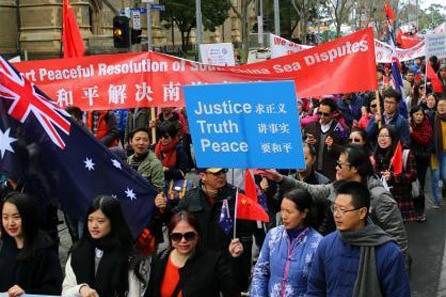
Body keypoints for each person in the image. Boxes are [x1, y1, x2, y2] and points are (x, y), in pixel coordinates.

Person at [258, 145, 408, 256]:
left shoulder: (379, 197)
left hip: (374, 260)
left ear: (355, 168)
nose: (336, 168)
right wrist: (281, 179)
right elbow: (311, 190)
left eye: (340, 165)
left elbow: (398, 240)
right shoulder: (336, 188)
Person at [156, 168, 256, 291]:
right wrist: (163, 209)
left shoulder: (236, 196)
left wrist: (242, 264)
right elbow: (174, 222)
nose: (221, 176)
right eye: (216, 173)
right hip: (199, 265)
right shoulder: (191, 197)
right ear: (203, 176)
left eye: (223, 172)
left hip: (228, 263)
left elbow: (246, 234)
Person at [305, 181, 410, 297]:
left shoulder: (388, 252)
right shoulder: (326, 244)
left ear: (362, 213)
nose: (336, 214)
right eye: (335, 208)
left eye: (343, 210)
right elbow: (315, 290)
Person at [62, 195, 146, 297]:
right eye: (90, 220)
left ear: (114, 222)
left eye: (100, 221)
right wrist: (80, 289)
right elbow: (66, 291)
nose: (94, 226)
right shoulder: (77, 251)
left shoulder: (129, 257)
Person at [146, 211, 241, 297]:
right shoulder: (160, 262)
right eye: (176, 236)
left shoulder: (213, 261)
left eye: (189, 236)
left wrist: (234, 259)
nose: (183, 241)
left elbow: (232, 290)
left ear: (198, 236)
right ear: (170, 237)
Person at [250, 189, 322, 297]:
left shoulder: (318, 243)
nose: (284, 216)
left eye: (289, 212)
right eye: (282, 210)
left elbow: (318, 286)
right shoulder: (273, 236)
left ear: (304, 213)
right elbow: (260, 272)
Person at [0, 192, 63, 296]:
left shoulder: (44, 249)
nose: (10, 223)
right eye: (5, 217)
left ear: (28, 216)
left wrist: (27, 293)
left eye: (16, 217)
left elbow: (54, 289)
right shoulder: (4, 244)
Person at [275, 143, 333, 235]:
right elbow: (276, 205)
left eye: (305, 159)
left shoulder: (324, 182)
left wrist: (320, 236)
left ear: (313, 159)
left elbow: (327, 217)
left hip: (314, 232)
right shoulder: (287, 180)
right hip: (290, 231)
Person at [374, 126, 417, 222]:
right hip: (383, 198)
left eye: (386, 136)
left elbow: (413, 175)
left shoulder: (404, 153)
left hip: (400, 199)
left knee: (397, 230)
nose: (382, 139)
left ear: (393, 137)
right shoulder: (377, 153)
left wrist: (393, 177)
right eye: (380, 136)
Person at [303, 98, 349, 181]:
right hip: (312, 172)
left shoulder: (340, 129)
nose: (322, 117)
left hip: (331, 173)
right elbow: (300, 145)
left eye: (326, 114)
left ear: (333, 114)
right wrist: (307, 143)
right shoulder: (311, 126)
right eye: (320, 113)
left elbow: (347, 150)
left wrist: (333, 146)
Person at [410, 105, 433, 218]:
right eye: (416, 114)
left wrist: (412, 133)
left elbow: (424, 140)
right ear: (412, 115)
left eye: (420, 114)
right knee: (411, 184)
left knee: (420, 185)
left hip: (422, 160)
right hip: (410, 160)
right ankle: (413, 209)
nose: (418, 117)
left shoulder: (427, 126)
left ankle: (420, 210)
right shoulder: (409, 124)